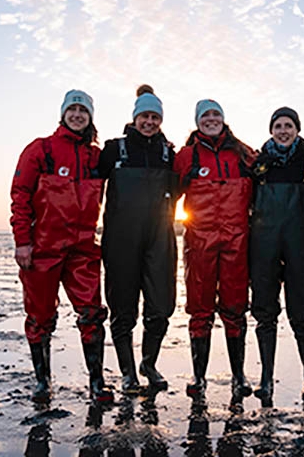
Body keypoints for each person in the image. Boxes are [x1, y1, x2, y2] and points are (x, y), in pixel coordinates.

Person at [10, 89, 113, 404]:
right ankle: (43, 381)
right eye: (73, 109)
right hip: (43, 248)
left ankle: (96, 384)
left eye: (84, 110)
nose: (78, 114)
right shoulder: (40, 150)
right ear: (64, 113)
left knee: (92, 314)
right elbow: (20, 195)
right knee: (40, 316)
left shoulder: (98, 158)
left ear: (91, 117)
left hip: (83, 250)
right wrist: (22, 242)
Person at [174, 99, 255, 404]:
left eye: (216, 114)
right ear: (197, 121)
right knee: (200, 309)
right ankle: (199, 377)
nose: (211, 119)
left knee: (235, 308)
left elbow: (267, 176)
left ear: (224, 118)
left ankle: (238, 376)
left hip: (237, 242)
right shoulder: (184, 157)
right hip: (200, 243)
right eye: (205, 115)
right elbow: (166, 198)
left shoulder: (243, 153)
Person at [98, 85, 178, 394]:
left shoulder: (168, 153)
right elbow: (86, 185)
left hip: (160, 237)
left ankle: (149, 362)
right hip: (121, 239)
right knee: (123, 308)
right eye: (145, 116)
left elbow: (183, 189)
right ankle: (128, 372)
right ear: (135, 118)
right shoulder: (113, 149)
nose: (150, 122)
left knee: (161, 307)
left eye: (155, 117)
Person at [249, 107, 304, 408]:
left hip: (299, 244)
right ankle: (266, 377)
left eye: (288, 125)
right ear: (271, 130)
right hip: (263, 246)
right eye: (278, 126)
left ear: (297, 129)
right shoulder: (258, 164)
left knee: (301, 313)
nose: (283, 130)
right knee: (265, 313)